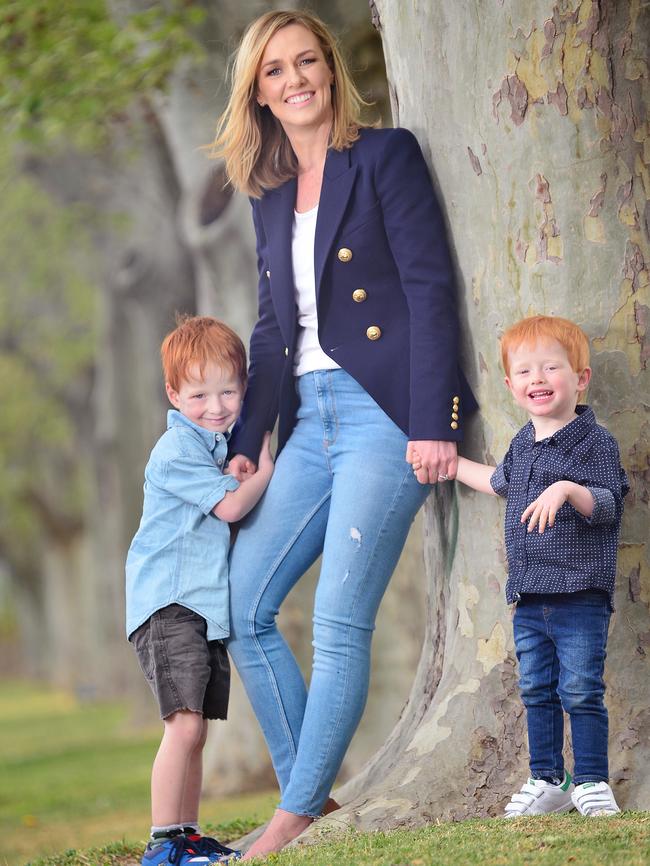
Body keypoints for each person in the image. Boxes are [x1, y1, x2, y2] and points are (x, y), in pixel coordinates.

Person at [211, 9, 477, 857]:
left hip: (384, 415)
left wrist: (435, 421)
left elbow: (432, 290)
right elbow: (269, 329)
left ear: (331, 68)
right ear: (258, 94)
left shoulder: (385, 155)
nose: (296, 81)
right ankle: (311, 799)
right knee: (243, 601)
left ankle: (288, 820)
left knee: (336, 618)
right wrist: (248, 441)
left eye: (306, 62)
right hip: (308, 420)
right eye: (275, 72)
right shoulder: (269, 192)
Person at [423, 315, 627, 818]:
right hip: (530, 595)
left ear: (580, 378)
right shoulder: (522, 443)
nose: (537, 379)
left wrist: (563, 489)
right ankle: (547, 778)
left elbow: (607, 504)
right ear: (511, 385)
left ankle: (593, 782)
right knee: (536, 688)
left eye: (550, 368)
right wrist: (447, 465)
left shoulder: (593, 442)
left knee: (580, 688)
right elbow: (500, 482)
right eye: (525, 371)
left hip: (580, 593)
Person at [125, 315, 274, 866]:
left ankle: (187, 834)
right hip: (169, 604)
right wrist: (268, 466)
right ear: (173, 394)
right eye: (199, 394)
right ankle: (163, 843)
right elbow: (232, 505)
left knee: (198, 730)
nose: (216, 406)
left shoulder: (215, 445)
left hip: (200, 608)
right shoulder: (176, 450)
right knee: (183, 726)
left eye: (228, 391)